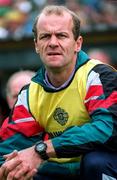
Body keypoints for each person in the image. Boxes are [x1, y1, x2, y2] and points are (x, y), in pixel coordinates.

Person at [0, 5, 116, 180]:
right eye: (45, 36)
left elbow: (107, 129)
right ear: (36, 45)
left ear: (78, 43)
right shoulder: (29, 93)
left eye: (61, 35)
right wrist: (7, 167)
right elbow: (9, 146)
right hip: (61, 170)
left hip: (102, 164)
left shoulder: (99, 76)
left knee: (96, 162)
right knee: (18, 168)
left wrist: (41, 150)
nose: (53, 43)